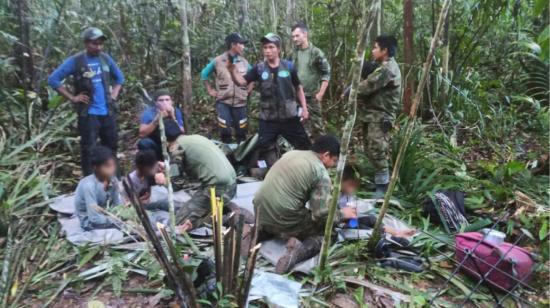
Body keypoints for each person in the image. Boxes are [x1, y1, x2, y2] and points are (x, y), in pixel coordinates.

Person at [253, 135, 357, 273]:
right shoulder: (320, 172)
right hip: (283, 218)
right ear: (326, 155)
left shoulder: (292, 154)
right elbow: (319, 214)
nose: (332, 166)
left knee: (285, 212)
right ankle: (298, 252)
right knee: (328, 234)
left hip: (259, 211)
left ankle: (257, 233)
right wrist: (343, 214)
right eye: (334, 161)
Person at [48, 27, 125, 176]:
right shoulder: (76, 61)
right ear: (86, 43)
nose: (98, 47)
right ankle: (90, 181)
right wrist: (72, 97)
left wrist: (114, 95)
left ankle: (115, 180)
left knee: (111, 147)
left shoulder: (105, 59)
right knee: (88, 149)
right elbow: (53, 79)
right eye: (94, 44)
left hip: (107, 112)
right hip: (89, 114)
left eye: (100, 44)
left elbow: (120, 78)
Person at [228, 33, 311, 162]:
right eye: (265, 47)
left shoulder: (289, 67)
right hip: (268, 119)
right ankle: (271, 169)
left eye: (271, 47)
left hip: (289, 117)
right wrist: (232, 71)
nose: (267, 51)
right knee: (263, 146)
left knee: (305, 146)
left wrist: (304, 109)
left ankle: (308, 169)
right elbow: (242, 82)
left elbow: (298, 88)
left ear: (278, 49)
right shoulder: (259, 69)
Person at [164, 129, 237, 233]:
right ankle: (218, 213)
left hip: (217, 189)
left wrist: (164, 178)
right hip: (232, 185)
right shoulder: (196, 138)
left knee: (176, 225)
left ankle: (222, 218)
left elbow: (176, 184)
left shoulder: (176, 147)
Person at [357, 35, 402, 195]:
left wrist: (352, 89)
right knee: (370, 148)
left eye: (376, 48)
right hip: (372, 115)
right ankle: (379, 181)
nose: (373, 50)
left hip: (381, 116)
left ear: (385, 50)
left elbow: (367, 86)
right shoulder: (381, 66)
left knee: (377, 149)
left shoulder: (388, 69)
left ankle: (383, 186)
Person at [200, 33, 253, 144]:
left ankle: (241, 155)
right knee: (225, 130)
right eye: (241, 44)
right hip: (224, 102)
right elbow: (204, 74)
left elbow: (252, 77)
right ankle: (226, 153)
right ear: (233, 45)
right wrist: (210, 90)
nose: (243, 47)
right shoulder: (218, 61)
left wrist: (249, 90)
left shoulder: (244, 62)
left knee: (241, 130)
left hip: (240, 103)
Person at [338, 165, 415, 237]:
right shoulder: (334, 195)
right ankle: (382, 235)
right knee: (362, 227)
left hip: (350, 222)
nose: (353, 188)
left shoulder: (348, 195)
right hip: (339, 225)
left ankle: (397, 233)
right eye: (351, 185)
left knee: (370, 219)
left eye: (356, 185)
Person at [291, 22, 331, 140]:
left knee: (317, 127)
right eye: (293, 36)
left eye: (297, 36)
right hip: (297, 97)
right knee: (298, 126)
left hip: (312, 96)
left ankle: (323, 153)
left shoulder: (316, 53)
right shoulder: (293, 53)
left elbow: (326, 73)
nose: (294, 39)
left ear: (305, 34)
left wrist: (320, 94)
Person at [74, 146, 122, 230]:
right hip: (89, 221)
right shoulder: (89, 186)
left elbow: (117, 204)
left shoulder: (113, 179)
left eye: (113, 165)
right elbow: (94, 218)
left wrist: (120, 214)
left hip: (107, 214)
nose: (112, 169)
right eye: (107, 166)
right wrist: (116, 220)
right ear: (95, 167)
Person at [138, 89, 185, 160]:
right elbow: (142, 134)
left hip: (173, 143)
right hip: (157, 143)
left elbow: (182, 131)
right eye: (161, 100)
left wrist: (172, 117)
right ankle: (153, 164)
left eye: (167, 100)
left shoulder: (176, 111)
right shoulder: (149, 113)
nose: (164, 102)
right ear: (156, 103)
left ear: (171, 102)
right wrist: (156, 120)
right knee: (144, 143)